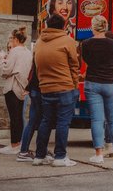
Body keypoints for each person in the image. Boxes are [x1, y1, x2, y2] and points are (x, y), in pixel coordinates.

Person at [81, 15, 113, 164]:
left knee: (97, 120)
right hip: (111, 83)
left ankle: (98, 154)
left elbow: (86, 60)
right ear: (105, 26)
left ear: (93, 27)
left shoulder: (85, 44)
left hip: (92, 83)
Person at [33, 14, 79, 167]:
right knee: (62, 123)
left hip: (45, 88)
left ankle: (39, 156)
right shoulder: (67, 41)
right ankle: (60, 157)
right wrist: (75, 86)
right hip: (64, 87)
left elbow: (36, 66)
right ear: (63, 25)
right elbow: (74, 65)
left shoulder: (39, 42)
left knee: (45, 121)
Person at [0, 27, 32, 155]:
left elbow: (5, 71)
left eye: (11, 38)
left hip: (12, 87)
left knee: (14, 117)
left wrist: (1, 59)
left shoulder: (15, 51)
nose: (10, 41)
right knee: (19, 116)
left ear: (16, 39)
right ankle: (19, 143)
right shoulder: (28, 52)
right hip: (23, 88)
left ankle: (14, 145)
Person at [15, 61, 53, 162]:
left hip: (34, 89)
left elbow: (32, 72)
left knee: (32, 122)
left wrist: (28, 88)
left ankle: (24, 151)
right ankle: (41, 151)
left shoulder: (38, 51)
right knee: (43, 121)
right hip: (41, 89)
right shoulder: (47, 51)